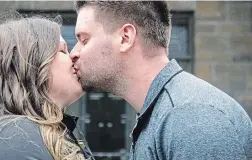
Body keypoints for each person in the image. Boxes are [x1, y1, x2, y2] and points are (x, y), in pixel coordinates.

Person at [70, 1, 252, 159]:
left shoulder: (191, 117)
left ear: (125, 38)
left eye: (85, 40)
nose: (73, 53)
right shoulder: (161, 113)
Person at [0, 15, 93, 160]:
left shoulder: (24, 136)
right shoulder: (12, 140)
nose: (73, 56)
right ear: (31, 64)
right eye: (63, 51)